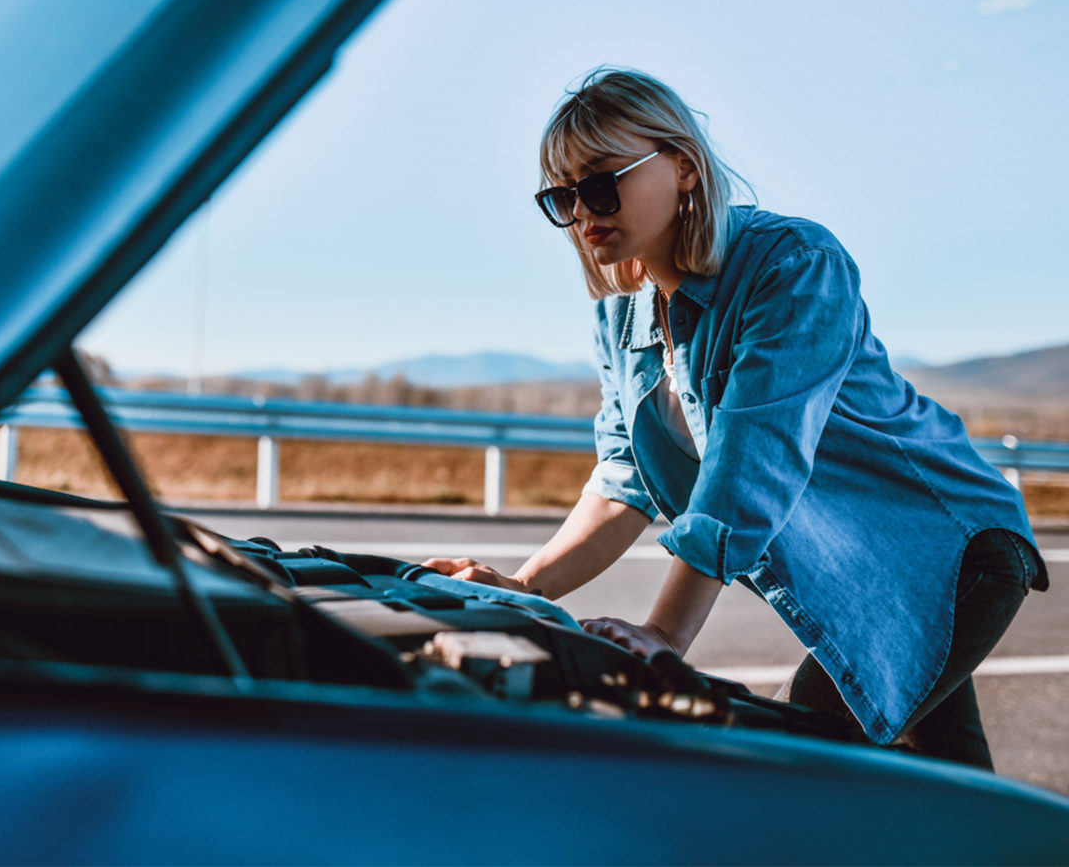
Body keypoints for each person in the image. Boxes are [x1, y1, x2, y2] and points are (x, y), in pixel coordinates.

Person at [424, 67, 1047, 769]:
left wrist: (665, 631)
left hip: (949, 552)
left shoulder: (794, 265)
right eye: (562, 195)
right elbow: (623, 482)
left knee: (803, 769)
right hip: (862, 580)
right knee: (955, 801)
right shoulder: (618, 315)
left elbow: (756, 457)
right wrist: (523, 586)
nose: (582, 211)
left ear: (683, 167)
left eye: (600, 183)